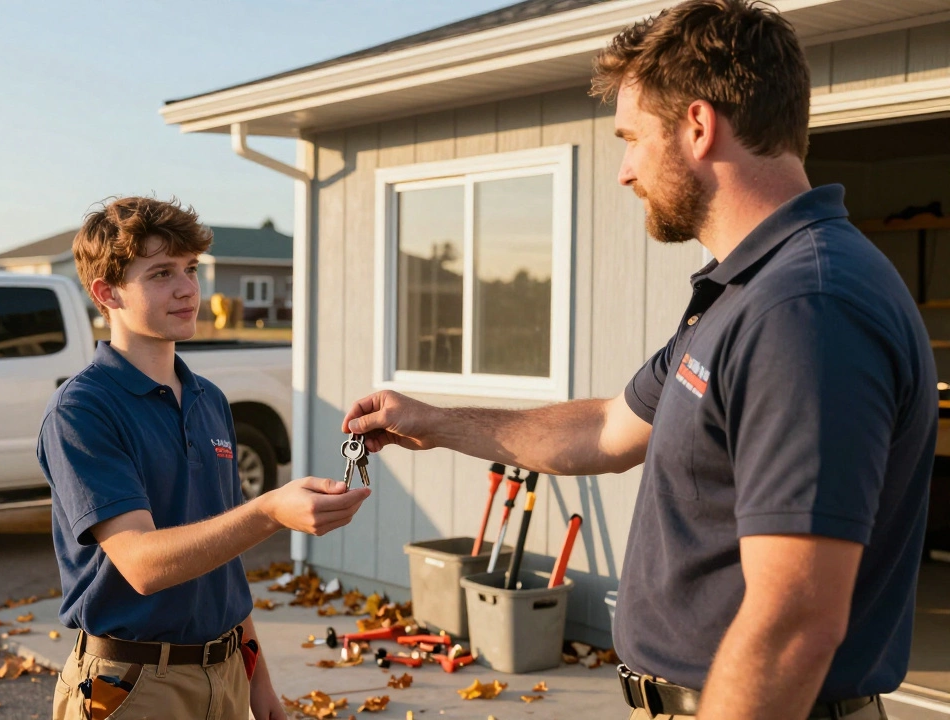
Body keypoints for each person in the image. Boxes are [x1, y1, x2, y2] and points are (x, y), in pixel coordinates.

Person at [342, 2, 936, 718]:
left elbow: (794, 624)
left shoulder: (805, 308)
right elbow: (607, 430)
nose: (624, 171)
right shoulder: (743, 291)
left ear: (697, 125)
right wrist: (435, 421)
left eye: (631, 138)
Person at [39, 196, 370, 720]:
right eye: (161, 273)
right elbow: (142, 564)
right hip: (133, 688)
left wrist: (259, 687)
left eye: (191, 269)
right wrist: (268, 512)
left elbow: (223, 564)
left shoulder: (209, 400)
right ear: (107, 293)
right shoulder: (83, 410)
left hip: (226, 676)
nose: (188, 288)